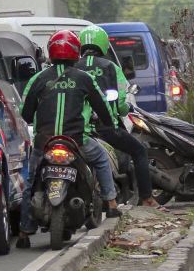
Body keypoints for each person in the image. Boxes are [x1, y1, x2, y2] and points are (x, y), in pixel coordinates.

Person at [17, 30, 119, 249]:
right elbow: (104, 109)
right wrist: (110, 125)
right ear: (75, 52)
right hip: (77, 141)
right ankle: (111, 203)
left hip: (44, 143)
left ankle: (25, 231)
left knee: (32, 180)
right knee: (101, 158)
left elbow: (25, 113)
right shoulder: (84, 78)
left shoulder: (38, 78)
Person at [75, 25, 166, 210]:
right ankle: (147, 198)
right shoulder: (110, 67)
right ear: (104, 44)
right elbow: (123, 102)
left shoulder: (73, 68)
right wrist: (122, 110)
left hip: (76, 130)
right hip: (105, 128)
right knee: (139, 151)